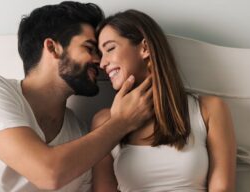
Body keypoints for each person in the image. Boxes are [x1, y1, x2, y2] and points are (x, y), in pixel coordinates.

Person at [0, 2, 153, 191]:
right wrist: (122, 122)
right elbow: (48, 173)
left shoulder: (79, 135)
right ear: (52, 47)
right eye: (90, 48)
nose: (100, 61)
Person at [92, 9, 237, 192]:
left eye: (110, 49)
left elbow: (222, 188)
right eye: (100, 53)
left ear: (144, 48)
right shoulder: (104, 122)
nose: (102, 63)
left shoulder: (209, 109)